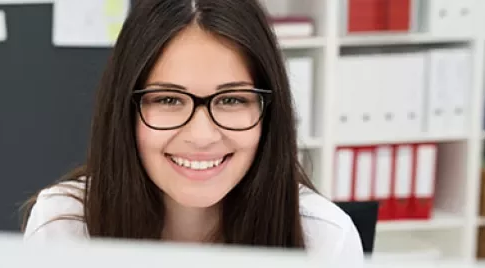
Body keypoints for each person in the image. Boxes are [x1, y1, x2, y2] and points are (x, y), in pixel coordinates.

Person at [20, 0, 364, 264]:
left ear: (268, 113)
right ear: (124, 110)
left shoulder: (324, 239)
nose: (202, 135)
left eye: (231, 99)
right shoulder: (62, 226)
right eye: (169, 99)